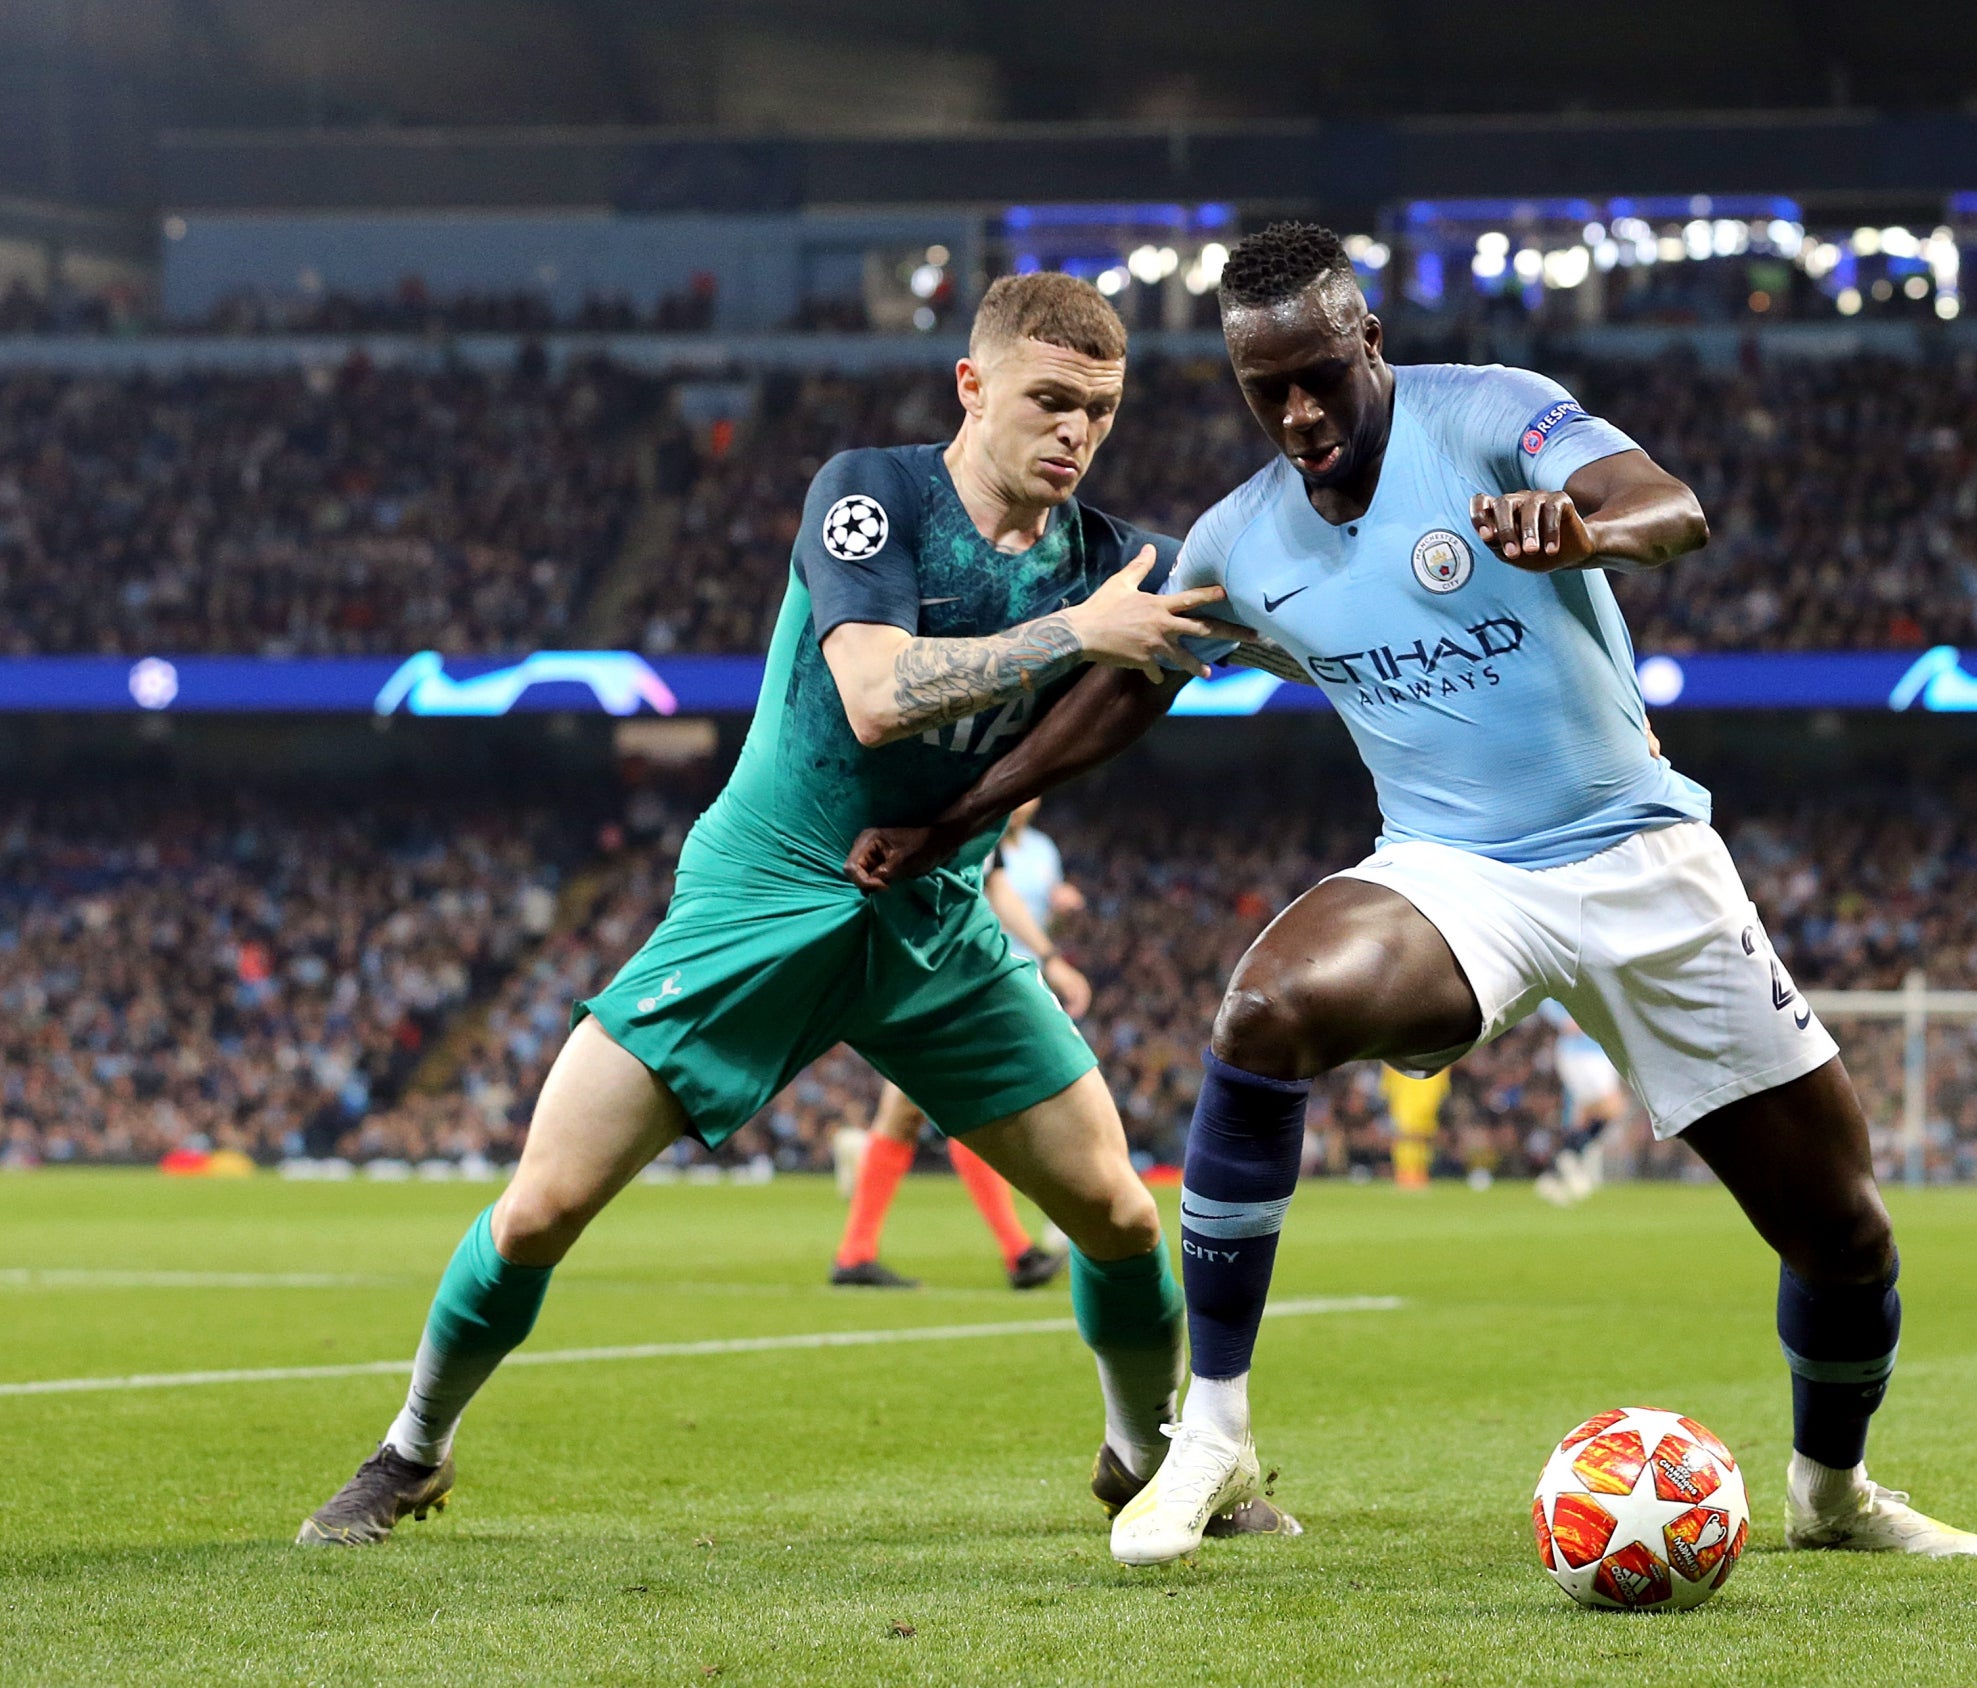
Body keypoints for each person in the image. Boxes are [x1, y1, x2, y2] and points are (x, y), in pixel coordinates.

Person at [846, 222, 1977, 1567]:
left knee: (1844, 1235)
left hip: (1642, 862)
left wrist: (1580, 530)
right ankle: (1209, 1436)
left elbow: (1671, 508)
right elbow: (1123, 689)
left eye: (1321, 376)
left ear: (1369, 344)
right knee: (1266, 1006)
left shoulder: (1493, 416)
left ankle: (1832, 1492)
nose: (1298, 412)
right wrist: (964, 817)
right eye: (1264, 388)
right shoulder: (1244, 535)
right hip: (1454, 876)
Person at [297, 272, 1293, 1548]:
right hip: (763, 892)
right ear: (972, 386)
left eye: (1099, 411)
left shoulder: (1110, 559)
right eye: (1049, 400)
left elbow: (1257, 623)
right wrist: (1075, 632)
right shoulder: (872, 495)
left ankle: (1138, 1455)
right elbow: (875, 698)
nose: (1076, 434)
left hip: (934, 917)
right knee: (542, 1205)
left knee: (1115, 1210)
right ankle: (412, 1449)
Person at [832, 807, 1087, 1290]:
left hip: (948, 969)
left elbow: (995, 889)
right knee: (970, 1104)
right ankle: (1021, 1251)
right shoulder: (960, 801)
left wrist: (1051, 957)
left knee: (909, 1112)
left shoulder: (996, 830)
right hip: (936, 967)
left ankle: (856, 1254)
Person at [1533, 1001, 1628, 1208]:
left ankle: (1554, 1175)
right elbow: (1544, 998)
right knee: (1614, 1108)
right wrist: (1564, 1020)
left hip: (1599, 1051)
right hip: (1582, 1052)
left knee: (1582, 1116)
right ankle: (1570, 1157)